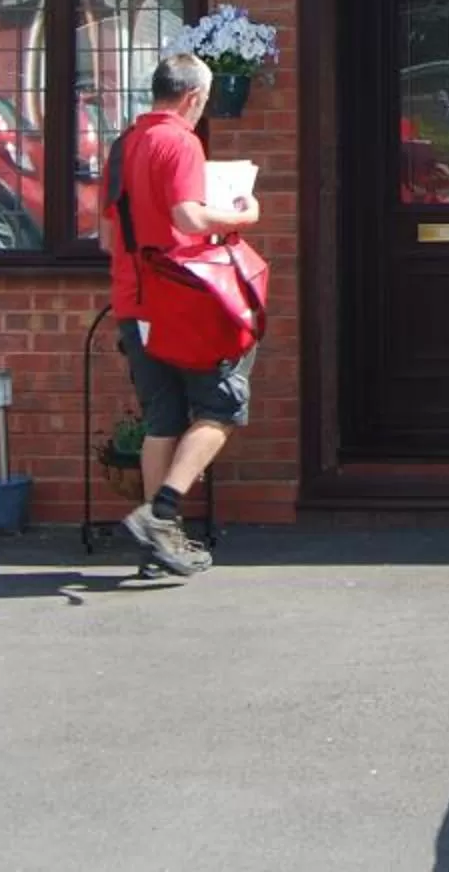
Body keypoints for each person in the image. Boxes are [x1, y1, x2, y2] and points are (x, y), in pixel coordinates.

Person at [108, 52, 259, 576]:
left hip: (135, 299)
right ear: (193, 96)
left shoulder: (124, 144)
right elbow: (188, 216)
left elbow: (113, 230)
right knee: (222, 407)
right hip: (183, 300)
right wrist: (242, 215)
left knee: (162, 419)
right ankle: (162, 511)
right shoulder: (180, 141)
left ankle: (156, 548)